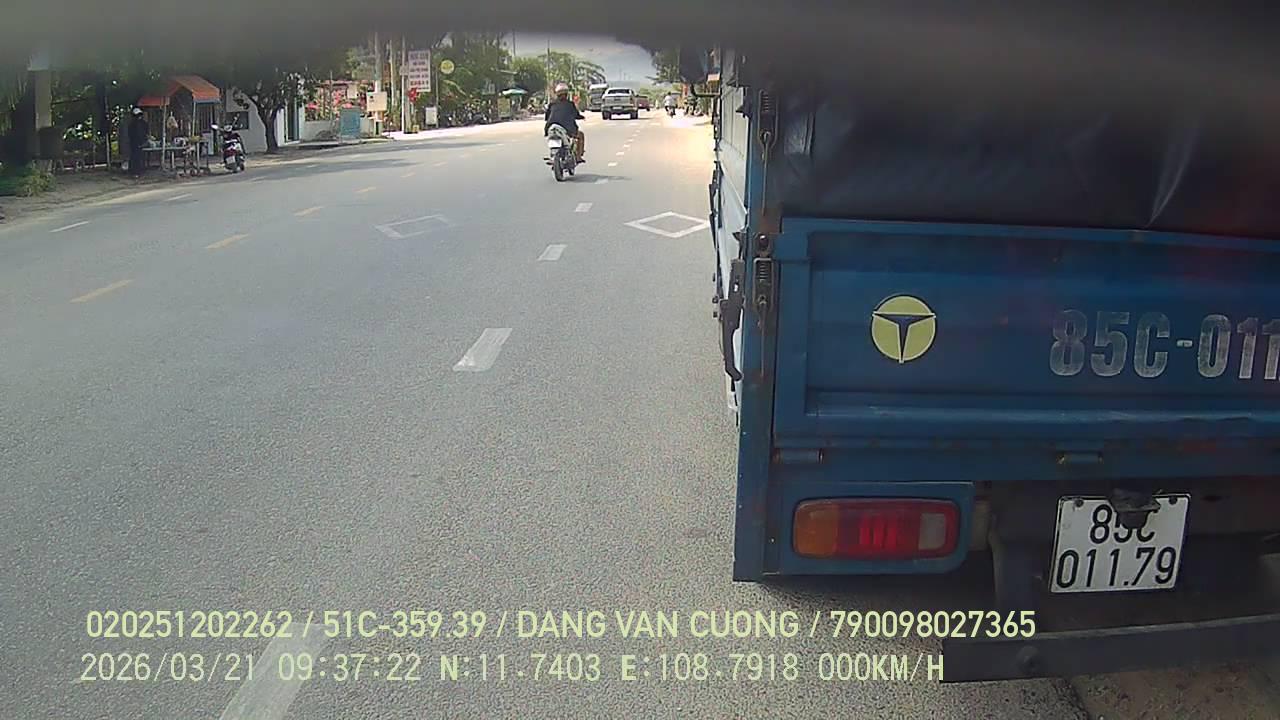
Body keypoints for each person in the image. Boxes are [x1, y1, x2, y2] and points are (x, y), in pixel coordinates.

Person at [544, 83, 585, 163]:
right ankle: (578, 157)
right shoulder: (570, 104)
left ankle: (553, 156)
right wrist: (581, 117)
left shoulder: (552, 104)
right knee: (580, 135)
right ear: (566, 94)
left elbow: (547, 117)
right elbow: (576, 115)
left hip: (550, 127)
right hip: (567, 128)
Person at [127, 107, 149, 177]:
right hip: (136, 143)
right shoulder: (134, 124)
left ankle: (137, 171)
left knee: (137, 157)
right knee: (136, 157)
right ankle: (136, 172)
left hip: (137, 143)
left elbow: (145, 133)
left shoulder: (140, 123)